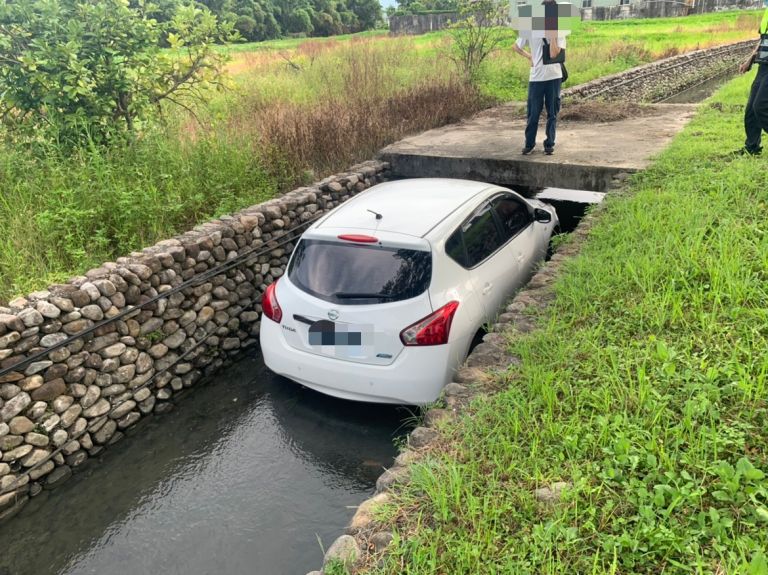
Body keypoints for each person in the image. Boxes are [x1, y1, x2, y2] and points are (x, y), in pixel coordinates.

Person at [512, 0, 567, 156]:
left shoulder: (560, 30)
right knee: (533, 113)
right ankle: (529, 144)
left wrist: (553, 36)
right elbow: (516, 46)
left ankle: (549, 144)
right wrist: (530, 56)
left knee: (552, 113)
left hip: (554, 76)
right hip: (536, 78)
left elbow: (554, 54)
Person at [737, 0, 768, 156]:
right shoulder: (767, 13)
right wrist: (750, 59)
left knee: (761, 106)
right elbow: (763, 39)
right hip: (764, 65)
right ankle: (752, 148)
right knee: (751, 110)